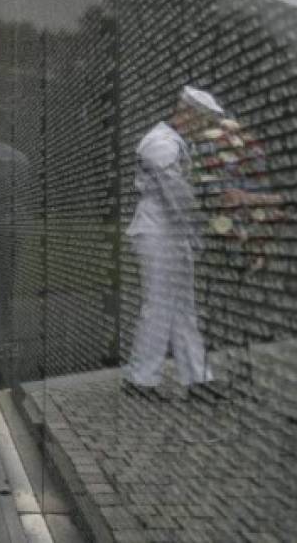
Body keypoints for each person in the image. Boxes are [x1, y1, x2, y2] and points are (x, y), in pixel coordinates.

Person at [124, 85, 223, 400]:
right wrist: (197, 226)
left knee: (183, 308)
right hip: (158, 232)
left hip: (170, 233)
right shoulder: (161, 143)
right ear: (188, 113)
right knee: (159, 306)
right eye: (203, 120)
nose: (204, 128)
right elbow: (174, 192)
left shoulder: (172, 142)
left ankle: (197, 378)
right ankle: (141, 379)